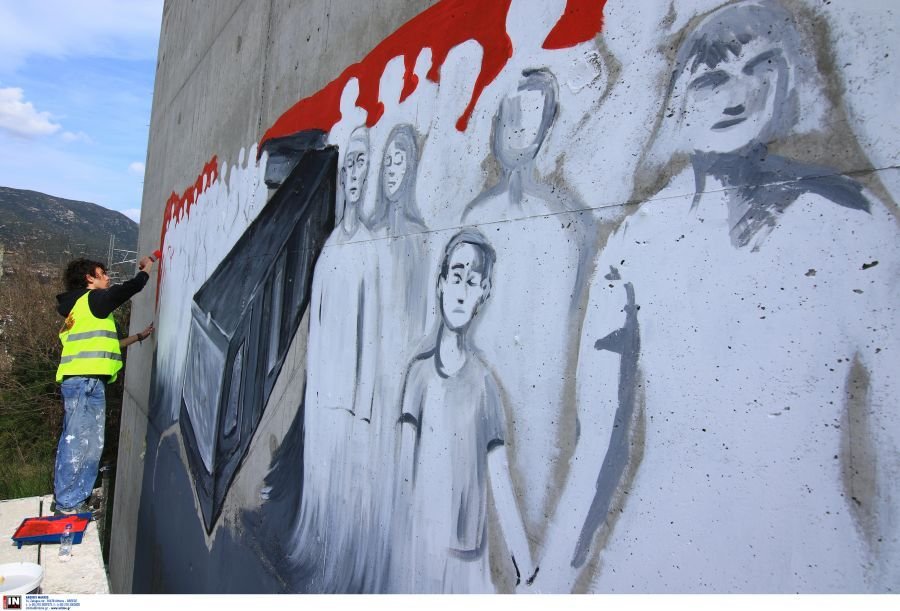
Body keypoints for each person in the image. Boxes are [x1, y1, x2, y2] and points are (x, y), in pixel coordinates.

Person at [539, 0, 900, 592]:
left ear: (789, 78)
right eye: (710, 79)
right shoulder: (634, 242)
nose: (737, 95)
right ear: (679, 102)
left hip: (809, 556)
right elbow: (598, 447)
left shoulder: (851, 222)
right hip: (653, 554)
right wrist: (546, 588)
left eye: (760, 67)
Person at [393, 229, 534, 593]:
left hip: (467, 560)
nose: (461, 291)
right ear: (441, 284)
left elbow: (500, 479)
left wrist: (526, 565)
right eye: (456, 277)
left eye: (472, 283)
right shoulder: (418, 376)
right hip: (419, 550)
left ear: (482, 294)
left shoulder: (485, 386)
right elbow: (404, 473)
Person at [54, 256, 155, 515]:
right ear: (89, 278)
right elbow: (125, 290)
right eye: (102, 274)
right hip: (84, 382)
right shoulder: (92, 300)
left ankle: (77, 498)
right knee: (79, 441)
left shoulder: (80, 310)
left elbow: (110, 344)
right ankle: (68, 504)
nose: (107, 278)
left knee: (89, 442)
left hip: (86, 381)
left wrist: (139, 336)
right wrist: (145, 271)